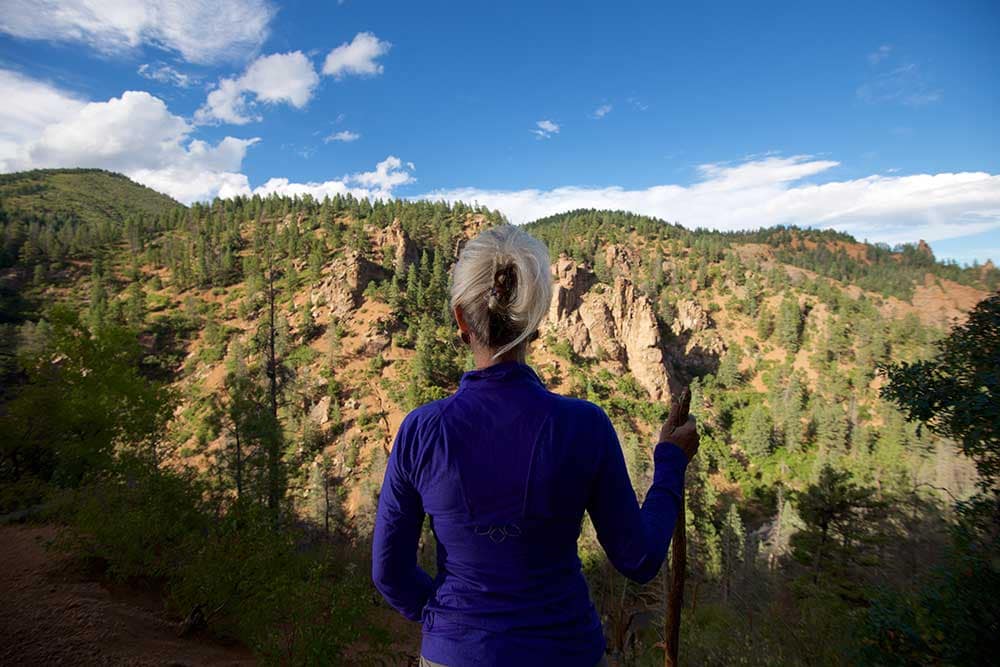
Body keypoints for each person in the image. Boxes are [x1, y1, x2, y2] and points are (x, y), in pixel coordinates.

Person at [372, 225, 699, 667]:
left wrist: (448, 620)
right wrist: (670, 463)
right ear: (535, 319)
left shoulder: (421, 431)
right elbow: (639, 558)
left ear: (461, 319)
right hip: (565, 651)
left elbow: (389, 572)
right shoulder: (584, 426)